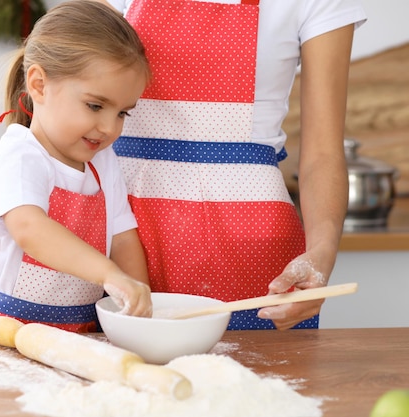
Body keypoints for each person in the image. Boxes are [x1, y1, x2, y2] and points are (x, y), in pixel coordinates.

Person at [103, 0, 367, 330]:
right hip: (117, 235)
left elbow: (322, 153)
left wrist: (321, 254)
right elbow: (76, 85)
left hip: (249, 249)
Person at [0, 0, 153, 335]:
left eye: (122, 113)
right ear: (39, 85)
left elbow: (123, 239)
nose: (109, 128)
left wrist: (142, 306)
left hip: (76, 332)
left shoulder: (103, 163)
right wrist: (108, 274)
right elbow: (30, 229)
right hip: (2, 331)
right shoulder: (22, 153)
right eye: (95, 105)